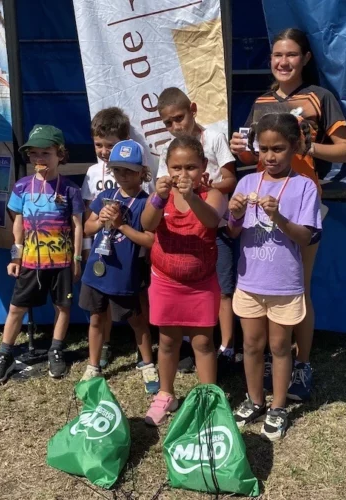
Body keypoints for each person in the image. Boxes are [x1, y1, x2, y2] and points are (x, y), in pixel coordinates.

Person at [230, 28, 346, 401]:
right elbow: (257, 158)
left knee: (298, 287)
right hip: (263, 200)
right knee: (264, 280)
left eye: (291, 55)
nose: (283, 62)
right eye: (276, 55)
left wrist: (308, 146)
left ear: (305, 59)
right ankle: (273, 359)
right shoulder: (261, 102)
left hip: (303, 199)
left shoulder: (320, 97)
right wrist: (241, 151)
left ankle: (301, 365)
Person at [228, 113, 322, 441]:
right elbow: (232, 229)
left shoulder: (304, 187)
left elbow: (305, 236)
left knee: (281, 346)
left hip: (284, 283)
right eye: (263, 148)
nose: (270, 156)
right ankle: (255, 399)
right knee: (252, 344)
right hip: (250, 281)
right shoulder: (245, 184)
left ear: (295, 147)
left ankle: (278, 406)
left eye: (279, 149)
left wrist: (278, 216)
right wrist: (236, 214)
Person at [0, 125, 84, 385]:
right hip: (30, 261)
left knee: (63, 306)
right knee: (17, 308)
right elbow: (17, 224)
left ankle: (56, 348)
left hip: (62, 262)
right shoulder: (22, 187)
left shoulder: (71, 189)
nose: (39, 159)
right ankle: (4, 353)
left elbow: (78, 226)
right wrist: (15, 257)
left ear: (60, 154)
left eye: (46, 153)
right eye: (34, 154)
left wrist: (77, 259)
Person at [141, 136, 227, 426]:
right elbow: (147, 224)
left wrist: (191, 197)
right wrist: (157, 197)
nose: (182, 174)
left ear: (203, 167)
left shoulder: (212, 194)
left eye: (190, 167)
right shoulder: (161, 195)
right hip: (166, 281)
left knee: (203, 342)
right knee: (167, 341)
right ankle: (166, 394)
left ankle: (207, 399)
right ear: (166, 168)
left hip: (201, 283)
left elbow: (212, 221)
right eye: (176, 167)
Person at [156, 87, 239, 373]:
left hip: (214, 222)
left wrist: (206, 188)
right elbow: (161, 190)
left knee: (223, 288)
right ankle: (193, 348)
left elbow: (230, 178)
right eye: (168, 123)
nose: (175, 126)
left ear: (192, 109)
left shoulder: (213, 138)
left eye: (179, 118)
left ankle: (226, 346)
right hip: (181, 229)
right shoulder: (168, 150)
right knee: (185, 285)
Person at [80, 140, 159, 394]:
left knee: (137, 321)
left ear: (142, 173)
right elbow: (87, 227)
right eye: (118, 170)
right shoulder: (104, 197)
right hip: (97, 270)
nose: (123, 176)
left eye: (129, 170)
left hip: (124, 274)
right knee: (95, 319)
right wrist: (100, 219)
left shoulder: (146, 203)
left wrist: (121, 225)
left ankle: (147, 364)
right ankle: (93, 366)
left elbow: (150, 240)